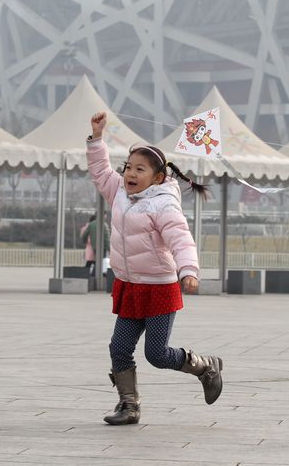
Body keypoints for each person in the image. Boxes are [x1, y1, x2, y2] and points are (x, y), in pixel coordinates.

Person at [87, 111, 223, 426]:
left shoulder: (163, 204)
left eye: (140, 169)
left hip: (160, 287)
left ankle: (205, 367)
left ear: (158, 177)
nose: (130, 174)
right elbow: (98, 171)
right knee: (118, 347)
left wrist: (189, 270)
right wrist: (96, 138)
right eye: (128, 168)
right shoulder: (119, 191)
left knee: (157, 354)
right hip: (130, 285)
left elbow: (181, 239)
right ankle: (128, 405)